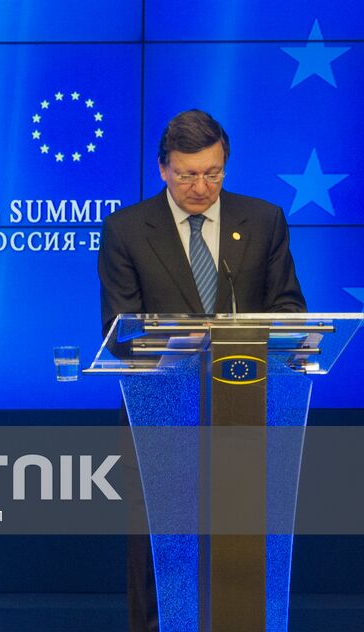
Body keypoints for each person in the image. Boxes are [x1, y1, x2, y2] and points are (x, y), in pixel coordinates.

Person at [97, 109, 306, 632]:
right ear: (163, 168)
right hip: (160, 421)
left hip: (245, 414)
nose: (201, 186)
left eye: (213, 172)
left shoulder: (263, 221)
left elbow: (290, 312)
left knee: (242, 552)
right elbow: (120, 332)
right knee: (159, 558)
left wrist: (241, 338)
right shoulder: (127, 230)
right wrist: (183, 341)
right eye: (188, 174)